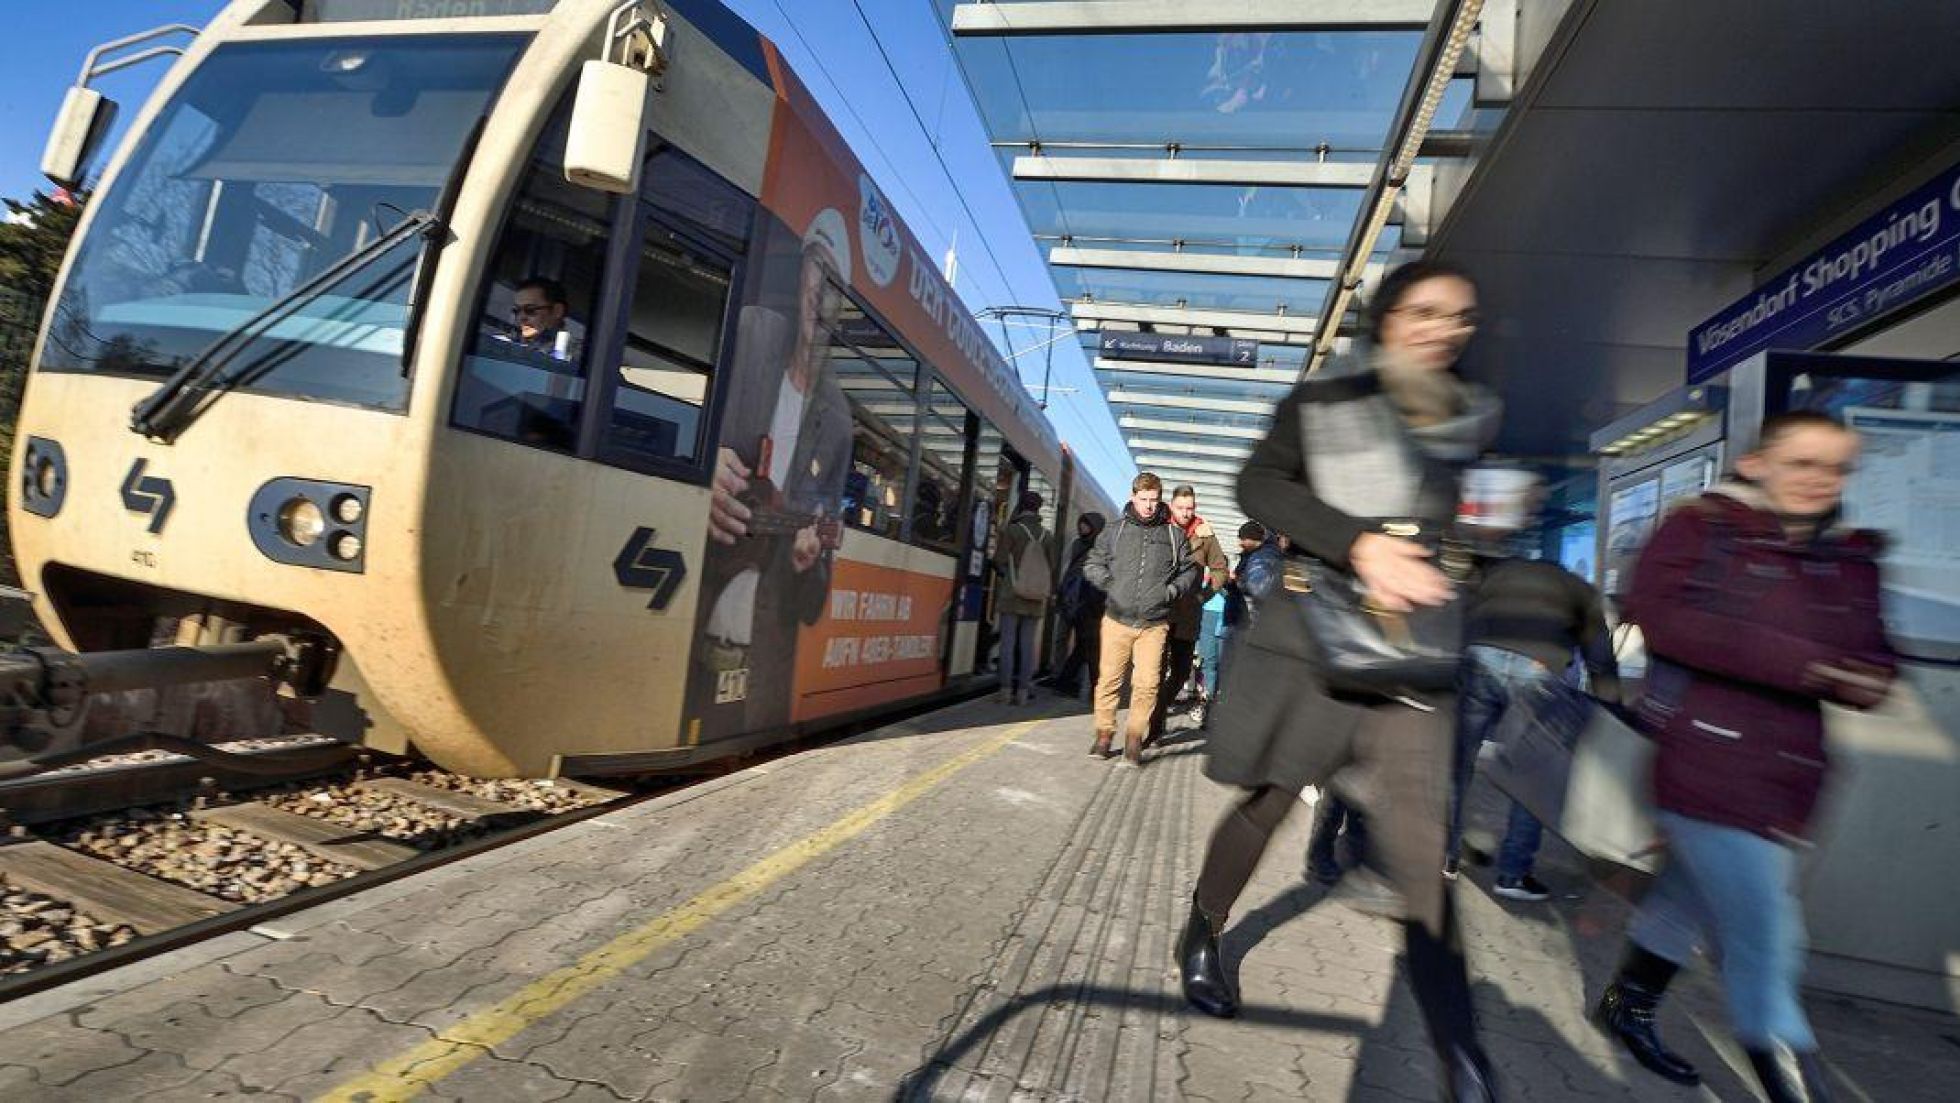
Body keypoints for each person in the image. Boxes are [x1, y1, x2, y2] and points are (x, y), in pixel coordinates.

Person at [1179, 260, 1502, 1101]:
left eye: (1459, 317)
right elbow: (1257, 483)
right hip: (1319, 642)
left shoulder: (1468, 420)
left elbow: (1465, 532)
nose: (1443, 329)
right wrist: (1360, 542)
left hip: (1410, 661)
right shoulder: (1326, 400)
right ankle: (1205, 927)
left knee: (1422, 846)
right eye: (1424, 311)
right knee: (1270, 800)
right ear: (1387, 317)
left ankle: (1461, 1057)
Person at [1595, 411, 1893, 1102]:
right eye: (1803, 462)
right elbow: (1659, 615)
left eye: (1837, 466)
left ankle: (1626, 1004)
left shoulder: (1848, 552)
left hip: (1792, 776)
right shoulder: (1704, 526)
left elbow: (1874, 651)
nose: (1822, 480)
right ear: (1759, 463)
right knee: (1768, 937)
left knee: (1690, 891)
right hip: (1703, 761)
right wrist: (1811, 665)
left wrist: (1872, 675)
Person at [691, 218, 854, 737]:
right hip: (685, 615)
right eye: (811, 272)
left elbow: (813, 603)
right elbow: (687, 423)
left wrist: (810, 560)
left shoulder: (838, 421)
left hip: (761, 660)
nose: (814, 293)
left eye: (829, 284)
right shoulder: (751, 335)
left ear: (841, 305)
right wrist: (700, 464)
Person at [1447, 553, 1620, 899]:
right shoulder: (1578, 589)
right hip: (1539, 665)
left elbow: (1462, 616)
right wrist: (1610, 708)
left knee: (1458, 763)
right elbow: (1599, 657)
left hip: (1480, 656)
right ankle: (1512, 875)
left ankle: (1444, 855)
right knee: (1532, 773)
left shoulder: (1496, 576)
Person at [1083, 473, 1198, 766]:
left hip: (1154, 622)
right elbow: (1093, 563)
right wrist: (1111, 585)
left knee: (1147, 683)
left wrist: (1171, 591)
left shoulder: (1174, 536)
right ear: (1133, 497)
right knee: (1109, 680)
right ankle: (1104, 735)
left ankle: (1134, 739)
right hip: (1116, 619)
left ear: (1160, 500)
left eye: (1154, 500)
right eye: (1143, 499)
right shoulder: (1115, 531)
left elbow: (1190, 571)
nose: (1148, 506)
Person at [1153, 487, 1231, 739]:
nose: (1186, 513)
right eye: (1181, 507)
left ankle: (1161, 707)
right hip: (1159, 610)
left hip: (1187, 613)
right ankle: (1155, 724)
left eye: (1190, 508)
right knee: (1153, 670)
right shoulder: (1159, 527)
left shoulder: (1204, 535)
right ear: (1172, 506)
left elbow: (1220, 569)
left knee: (1180, 670)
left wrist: (1204, 596)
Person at [993, 491, 1056, 705]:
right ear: (1039, 509)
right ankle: (1022, 692)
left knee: (1008, 643)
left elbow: (1000, 559)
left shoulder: (1012, 530)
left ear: (1021, 506)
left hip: (1012, 593)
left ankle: (1004, 691)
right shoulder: (1047, 536)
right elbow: (1051, 567)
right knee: (1027, 645)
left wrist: (1008, 575)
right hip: (1036, 596)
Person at [1052, 512, 1108, 696]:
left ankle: (1069, 682)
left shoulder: (1102, 548)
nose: (1083, 528)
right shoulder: (1077, 544)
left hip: (1089, 603)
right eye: (1081, 524)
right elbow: (1069, 570)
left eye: (1087, 525)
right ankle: (1071, 682)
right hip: (1073, 601)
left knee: (1084, 646)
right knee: (1083, 646)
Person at [509, 276, 574, 357]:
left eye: (530, 310)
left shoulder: (571, 355)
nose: (520, 317)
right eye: (516, 311)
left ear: (557, 311)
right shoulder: (509, 343)